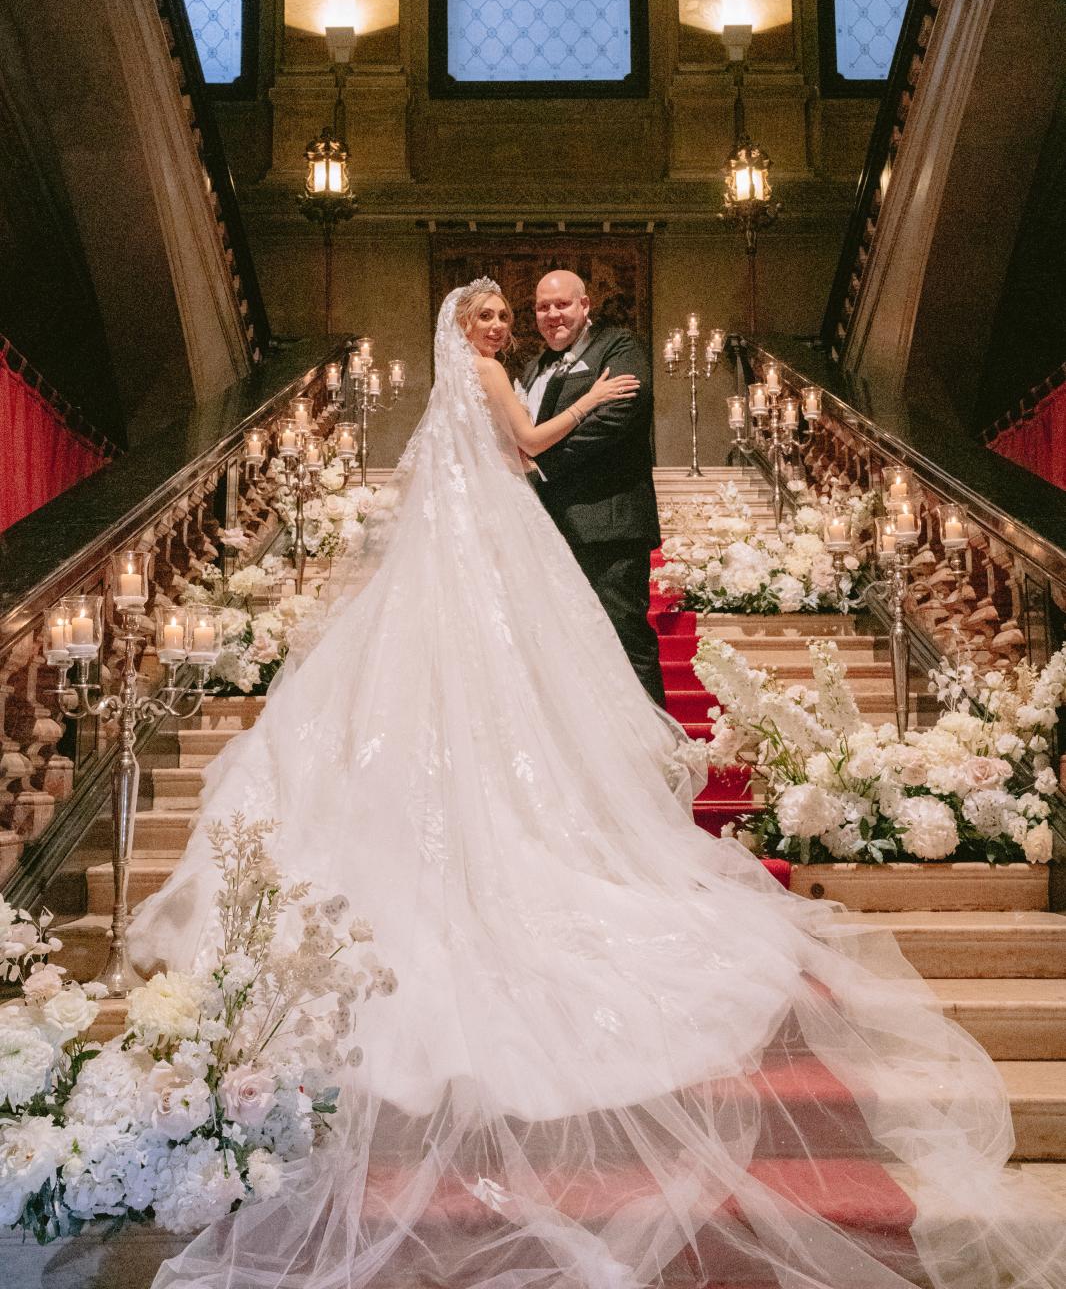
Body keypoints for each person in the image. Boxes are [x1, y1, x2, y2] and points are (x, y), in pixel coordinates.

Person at [136, 282, 1062, 1289]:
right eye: (491, 315)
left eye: (515, 313)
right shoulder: (501, 374)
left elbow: (512, 450)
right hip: (499, 534)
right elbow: (529, 446)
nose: (504, 327)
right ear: (467, 331)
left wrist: (581, 402)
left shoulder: (494, 375)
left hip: (504, 536)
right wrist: (585, 399)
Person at [517, 270, 666, 705]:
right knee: (567, 646)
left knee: (624, 637)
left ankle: (657, 757)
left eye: (562, 304)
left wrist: (541, 464)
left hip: (609, 526)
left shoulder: (618, 346)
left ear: (585, 306)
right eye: (543, 307)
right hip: (550, 528)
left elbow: (620, 415)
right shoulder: (535, 366)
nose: (552, 315)